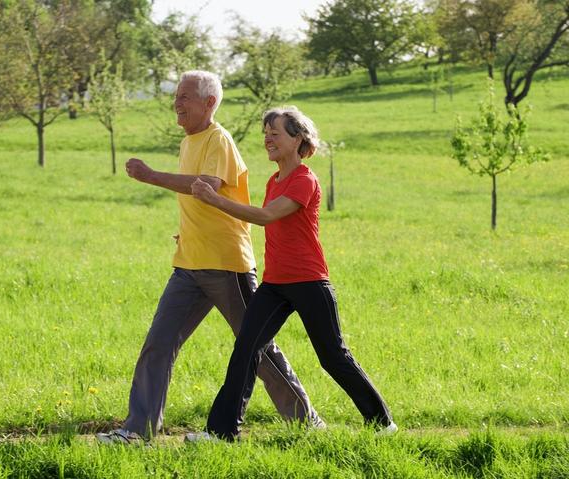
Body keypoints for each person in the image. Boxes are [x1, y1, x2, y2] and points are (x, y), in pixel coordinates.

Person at [96, 72, 323, 444]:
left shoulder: (219, 139)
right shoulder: (189, 141)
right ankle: (138, 431)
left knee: (257, 348)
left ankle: (305, 420)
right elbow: (198, 199)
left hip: (226, 264)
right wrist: (189, 231)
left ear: (209, 103)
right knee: (159, 343)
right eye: (176, 96)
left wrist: (151, 176)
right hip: (187, 263)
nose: (177, 104)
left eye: (185, 97)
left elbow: (207, 187)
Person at [188, 106, 397, 442]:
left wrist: (213, 199)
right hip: (275, 284)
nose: (268, 139)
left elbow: (266, 216)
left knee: (333, 357)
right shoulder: (274, 180)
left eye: (276, 133)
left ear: (298, 138)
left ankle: (382, 423)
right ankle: (222, 431)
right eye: (265, 133)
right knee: (246, 351)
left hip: (310, 282)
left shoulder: (304, 180)